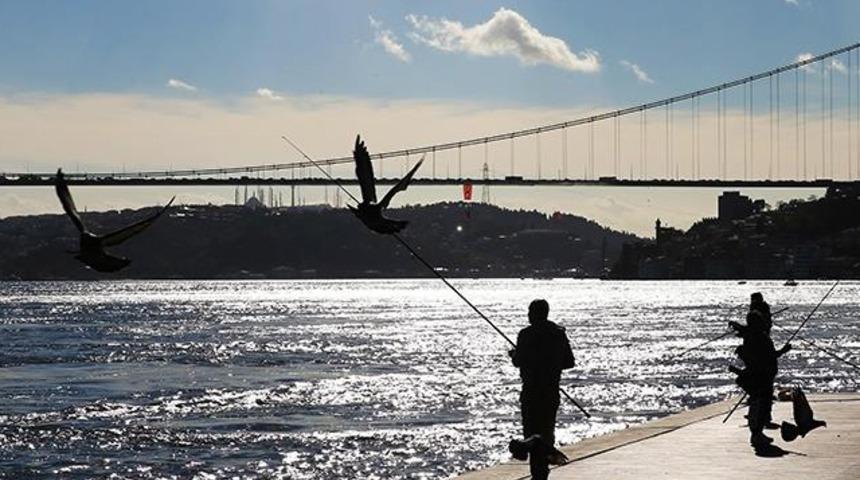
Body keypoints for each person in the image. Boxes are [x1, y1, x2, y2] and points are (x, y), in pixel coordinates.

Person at [509, 299, 575, 480]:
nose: (528, 315)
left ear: (535, 313)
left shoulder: (526, 334)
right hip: (551, 391)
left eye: (530, 312)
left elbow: (518, 361)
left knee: (533, 433)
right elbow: (569, 362)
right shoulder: (558, 334)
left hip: (531, 391)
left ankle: (527, 447)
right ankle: (540, 474)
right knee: (547, 435)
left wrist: (514, 354)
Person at [729, 310, 791, 449]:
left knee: (757, 404)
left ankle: (757, 433)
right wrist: (784, 350)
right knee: (762, 405)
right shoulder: (759, 338)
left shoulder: (750, 336)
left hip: (758, 375)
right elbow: (769, 356)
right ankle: (756, 434)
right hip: (762, 376)